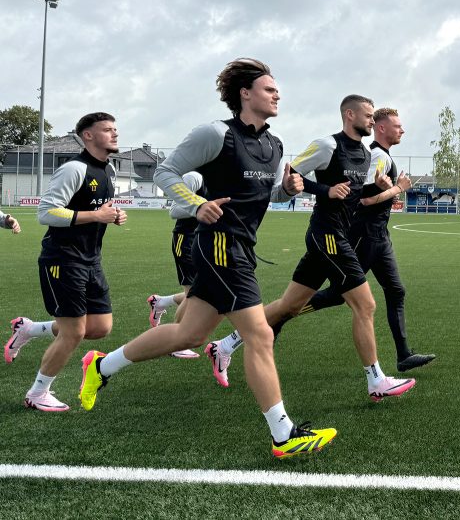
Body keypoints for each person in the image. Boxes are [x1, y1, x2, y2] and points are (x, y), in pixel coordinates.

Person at [78, 58, 336, 459]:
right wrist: (196, 203)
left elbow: (264, 197)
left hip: (241, 248)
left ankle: (100, 367)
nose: (277, 94)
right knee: (260, 335)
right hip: (218, 245)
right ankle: (284, 435)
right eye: (269, 88)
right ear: (245, 94)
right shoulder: (215, 134)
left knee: (190, 335)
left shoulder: (275, 144)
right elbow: (165, 172)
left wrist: (288, 189)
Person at [206, 95, 416, 402]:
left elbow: (359, 193)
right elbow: (292, 174)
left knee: (289, 306)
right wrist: (325, 189)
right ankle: (376, 380)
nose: (372, 120)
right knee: (365, 305)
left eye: (373, 116)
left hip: (336, 235)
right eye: (368, 115)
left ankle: (224, 345)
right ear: (349, 114)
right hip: (327, 234)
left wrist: (384, 186)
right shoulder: (328, 146)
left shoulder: (364, 153)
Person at [270, 107, 435, 372]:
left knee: (395, 290)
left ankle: (403, 355)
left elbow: (366, 190)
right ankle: (278, 318)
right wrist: (396, 188)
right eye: (397, 126)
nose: (402, 130)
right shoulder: (376, 156)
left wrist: (386, 188)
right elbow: (363, 199)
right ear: (380, 128)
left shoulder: (374, 156)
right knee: (341, 296)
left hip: (380, 237)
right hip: (362, 235)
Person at [5, 112, 127, 412]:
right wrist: (95, 216)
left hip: (91, 260)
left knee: (99, 327)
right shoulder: (74, 169)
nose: (114, 134)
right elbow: (46, 213)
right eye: (107, 130)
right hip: (63, 259)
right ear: (87, 135)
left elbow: (98, 209)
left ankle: (30, 330)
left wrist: (112, 216)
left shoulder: (107, 170)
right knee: (74, 331)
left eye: (115, 129)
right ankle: (37, 393)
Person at [144, 171, 207, 359]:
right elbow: (174, 210)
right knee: (193, 293)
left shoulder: (220, 176)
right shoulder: (195, 176)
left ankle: (161, 302)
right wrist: (203, 205)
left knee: (205, 290)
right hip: (186, 239)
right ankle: (176, 342)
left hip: (205, 240)